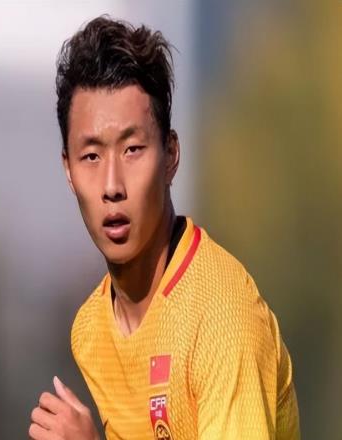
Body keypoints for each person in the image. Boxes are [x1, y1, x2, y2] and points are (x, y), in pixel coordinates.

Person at [29, 16, 300, 440]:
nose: (112, 186)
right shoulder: (90, 331)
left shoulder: (223, 318)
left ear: (170, 155)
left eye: (133, 149)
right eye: (92, 156)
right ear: (68, 169)